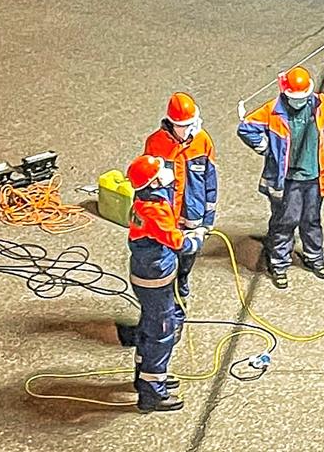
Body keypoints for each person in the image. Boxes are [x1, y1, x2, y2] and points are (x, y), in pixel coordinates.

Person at [237, 65, 324, 289]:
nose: (299, 101)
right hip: (287, 181)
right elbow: (246, 127)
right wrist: (265, 147)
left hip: (315, 177)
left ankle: (314, 257)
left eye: (303, 96)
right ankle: (279, 263)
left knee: (312, 220)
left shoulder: (320, 105)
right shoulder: (273, 110)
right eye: (294, 97)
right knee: (284, 222)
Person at [125, 154, 206, 413]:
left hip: (146, 274)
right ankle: (152, 392)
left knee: (149, 325)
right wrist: (198, 238)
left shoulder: (144, 201)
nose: (166, 172)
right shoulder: (155, 211)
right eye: (160, 171)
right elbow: (179, 243)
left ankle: (144, 374)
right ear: (152, 182)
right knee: (162, 332)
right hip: (155, 279)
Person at [144, 92, 218, 340]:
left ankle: (183, 282)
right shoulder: (155, 143)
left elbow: (210, 182)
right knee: (166, 266)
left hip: (192, 215)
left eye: (188, 126)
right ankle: (172, 309)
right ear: (170, 122)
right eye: (181, 125)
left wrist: (207, 219)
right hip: (167, 218)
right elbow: (147, 181)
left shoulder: (203, 141)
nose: (185, 130)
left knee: (187, 258)